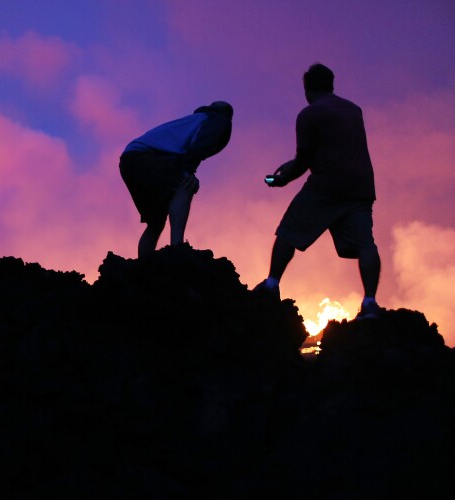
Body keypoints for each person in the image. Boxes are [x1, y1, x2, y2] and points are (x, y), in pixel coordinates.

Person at [253, 64, 382, 320]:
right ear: (331, 84)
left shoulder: (310, 114)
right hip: (360, 186)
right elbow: (330, 149)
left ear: (307, 89)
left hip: (326, 185)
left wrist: (282, 180)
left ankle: (271, 285)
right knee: (366, 244)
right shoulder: (354, 110)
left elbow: (304, 160)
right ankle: (369, 303)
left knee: (288, 232)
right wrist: (294, 165)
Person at [119, 101, 233, 257]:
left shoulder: (193, 121)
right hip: (144, 157)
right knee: (185, 186)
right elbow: (199, 146)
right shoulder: (218, 120)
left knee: (156, 222)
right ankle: (177, 250)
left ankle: (143, 270)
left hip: (129, 161)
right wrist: (188, 173)